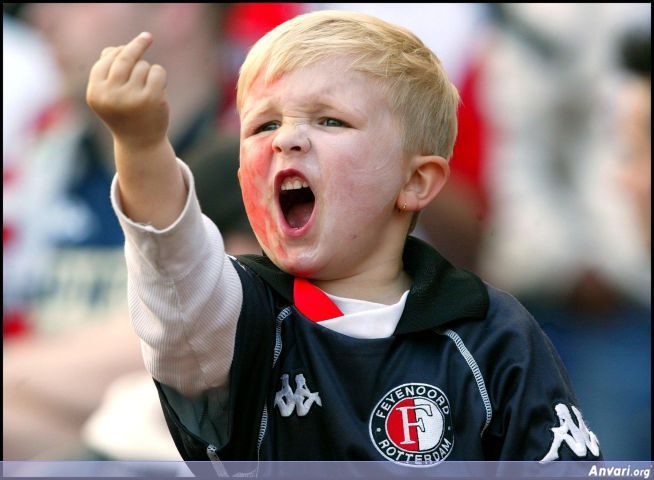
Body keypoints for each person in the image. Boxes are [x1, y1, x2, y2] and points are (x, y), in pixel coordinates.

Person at [88, 10, 602, 464]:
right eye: (263, 126)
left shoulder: (494, 332)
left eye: (330, 119)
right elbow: (172, 266)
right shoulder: (235, 316)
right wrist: (140, 145)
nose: (287, 137)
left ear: (415, 181)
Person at [3, 3, 257, 460]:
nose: (43, 17)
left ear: (175, 11)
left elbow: (211, 347)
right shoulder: (41, 153)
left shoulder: (264, 150)